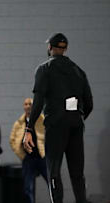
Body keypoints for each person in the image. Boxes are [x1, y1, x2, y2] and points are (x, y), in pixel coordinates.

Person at [23, 33, 93, 203]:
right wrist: (76, 118)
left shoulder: (44, 69)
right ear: (65, 49)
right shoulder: (79, 71)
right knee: (77, 174)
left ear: (50, 48)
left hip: (56, 126)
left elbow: (38, 102)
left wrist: (29, 128)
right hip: (76, 124)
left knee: (53, 171)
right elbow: (89, 103)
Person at [9, 98, 47, 203]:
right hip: (28, 159)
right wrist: (22, 155)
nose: (28, 106)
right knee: (28, 188)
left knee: (52, 184)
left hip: (42, 158)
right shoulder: (19, 123)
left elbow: (51, 136)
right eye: (26, 104)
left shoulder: (42, 119)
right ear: (23, 107)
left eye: (30, 104)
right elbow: (12, 140)